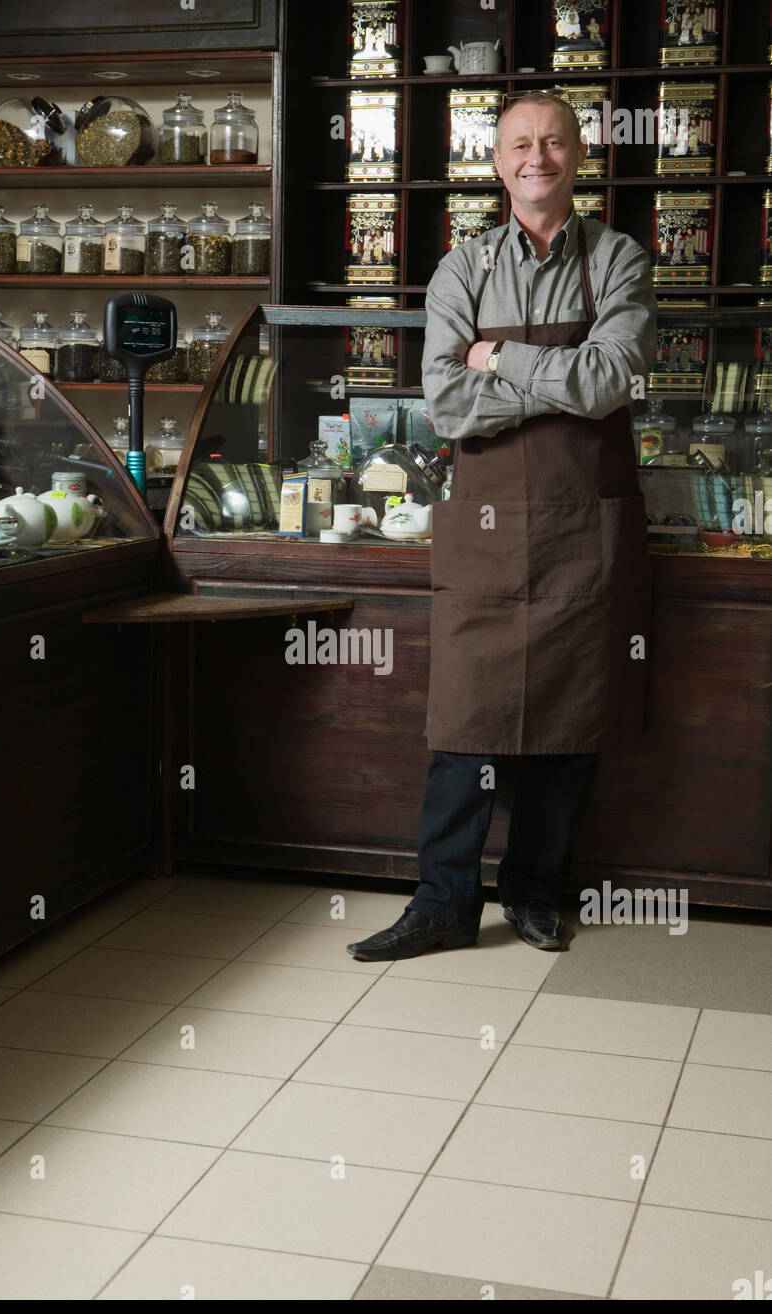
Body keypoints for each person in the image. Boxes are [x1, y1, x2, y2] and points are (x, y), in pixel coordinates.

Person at [348, 92, 657, 962]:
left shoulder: (621, 257)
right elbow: (446, 403)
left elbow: (608, 382)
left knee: (566, 729)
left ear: (578, 155)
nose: (537, 157)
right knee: (464, 725)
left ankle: (532, 894)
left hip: (581, 530)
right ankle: (442, 906)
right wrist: (554, 375)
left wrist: (502, 358)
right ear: (497, 162)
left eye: (553, 141)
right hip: (485, 536)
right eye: (520, 143)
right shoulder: (464, 267)